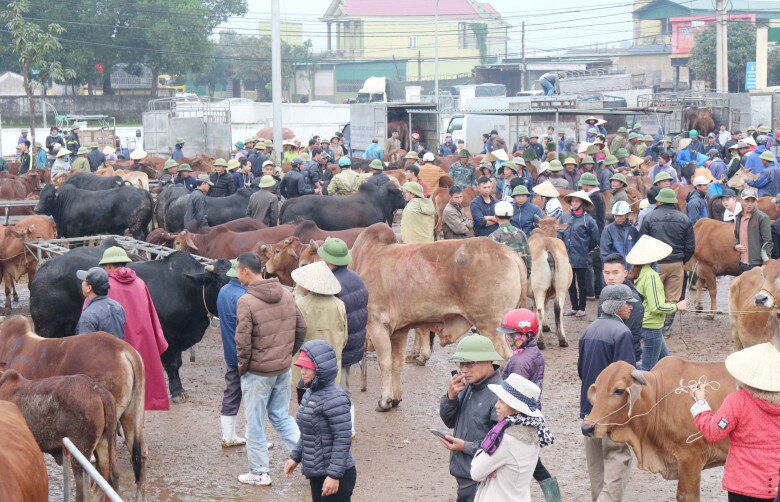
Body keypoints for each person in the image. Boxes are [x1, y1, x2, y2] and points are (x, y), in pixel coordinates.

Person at [234, 252, 306, 486]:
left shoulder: (245, 301)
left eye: (237, 269)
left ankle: (259, 472)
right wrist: (287, 354)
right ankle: (308, 457)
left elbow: (242, 341)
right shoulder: (286, 293)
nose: (237, 274)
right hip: (282, 369)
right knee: (281, 416)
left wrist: (243, 367)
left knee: (254, 423)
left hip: (258, 373)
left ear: (246, 271)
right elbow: (301, 328)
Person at [689, 341, 780, 502]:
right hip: (775, 484)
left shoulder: (738, 401)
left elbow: (713, 432)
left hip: (743, 484)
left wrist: (700, 402)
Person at [578, 284, 637, 502]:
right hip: (611, 414)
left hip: (588, 411)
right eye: (627, 303)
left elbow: (580, 371)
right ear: (616, 307)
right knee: (616, 457)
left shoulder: (588, 330)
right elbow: (626, 377)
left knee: (596, 465)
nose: (630, 307)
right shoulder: (622, 333)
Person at [496, 308, 562, 501]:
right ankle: (554, 497)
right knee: (534, 463)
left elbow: (514, 396)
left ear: (528, 334)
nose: (508, 339)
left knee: (525, 466)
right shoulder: (531, 353)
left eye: (512, 335)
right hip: (530, 415)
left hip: (518, 419)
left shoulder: (520, 362)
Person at [284, 340, 357, 502]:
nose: (302, 372)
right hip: (317, 472)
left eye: (307, 367)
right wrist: (295, 457)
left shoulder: (336, 398)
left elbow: (342, 439)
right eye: (301, 367)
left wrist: (334, 475)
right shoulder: (310, 393)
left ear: (321, 368)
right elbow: (308, 433)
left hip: (337, 475)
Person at [98, 246, 169, 411]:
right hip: (143, 341)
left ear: (109, 266)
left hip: (117, 344)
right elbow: (152, 315)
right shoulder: (140, 283)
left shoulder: (105, 285)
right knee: (138, 393)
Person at [471, 372, 556, 502]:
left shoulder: (506, 440)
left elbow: (476, 472)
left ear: (516, 408)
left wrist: (484, 460)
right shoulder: (534, 434)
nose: (496, 405)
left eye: (502, 401)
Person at [439, 335, 503, 502]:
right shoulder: (469, 385)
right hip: (465, 478)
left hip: (483, 482)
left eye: (470, 363)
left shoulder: (499, 394)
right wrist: (450, 397)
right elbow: (449, 421)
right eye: (461, 364)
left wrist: (465, 447)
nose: (464, 370)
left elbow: (501, 445)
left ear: (488, 361)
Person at [638, 187, 695, 335]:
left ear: (659, 200)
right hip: (676, 263)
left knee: (652, 295)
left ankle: (651, 325)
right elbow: (690, 246)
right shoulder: (685, 219)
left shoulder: (649, 218)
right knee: (672, 298)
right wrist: (682, 259)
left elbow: (642, 242)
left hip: (655, 263)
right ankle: (666, 329)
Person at [626, 235, 688, 370]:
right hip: (652, 327)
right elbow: (657, 307)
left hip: (648, 325)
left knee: (666, 363)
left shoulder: (640, 273)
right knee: (648, 369)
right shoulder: (651, 276)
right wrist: (676, 306)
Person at [291, 260, 347, 386]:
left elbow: (293, 337)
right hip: (330, 363)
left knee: (307, 401)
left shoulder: (301, 305)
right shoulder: (339, 305)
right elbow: (344, 338)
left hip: (306, 365)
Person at [217, 260, 248, 448]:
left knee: (232, 392)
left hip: (230, 351)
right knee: (253, 397)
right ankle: (255, 438)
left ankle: (228, 435)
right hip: (245, 353)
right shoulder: (245, 296)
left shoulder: (223, 292)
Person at [561, 191, 600, 317]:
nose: (573, 203)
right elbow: (560, 234)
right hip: (567, 256)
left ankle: (581, 308)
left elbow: (595, 239)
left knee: (582, 283)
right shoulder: (565, 217)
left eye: (577, 201)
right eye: (572, 201)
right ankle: (574, 307)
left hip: (582, 256)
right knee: (570, 283)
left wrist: (585, 250)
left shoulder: (588, 220)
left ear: (583, 203)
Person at [600, 254, 644, 362]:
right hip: (608, 351)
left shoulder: (632, 299)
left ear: (625, 273)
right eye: (607, 273)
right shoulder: (606, 292)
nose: (610, 277)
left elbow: (632, 335)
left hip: (625, 356)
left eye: (615, 272)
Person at [75, 266, 125, 340]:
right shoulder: (118, 306)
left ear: (89, 288)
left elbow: (84, 347)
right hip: (117, 350)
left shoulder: (89, 315)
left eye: (84, 281)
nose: (82, 283)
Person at [733, 188, 772, 272]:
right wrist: (736, 246)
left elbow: (768, 242)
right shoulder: (738, 217)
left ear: (756, 202)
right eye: (747, 200)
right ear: (741, 201)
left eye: (753, 201)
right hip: (743, 262)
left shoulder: (762, 218)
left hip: (757, 264)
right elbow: (736, 236)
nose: (750, 204)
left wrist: (765, 263)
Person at [490, 201, 531, 275]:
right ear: (511, 216)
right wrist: (527, 275)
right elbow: (527, 257)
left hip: (504, 277)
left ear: (495, 217)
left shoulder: (493, 236)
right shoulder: (521, 233)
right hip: (520, 276)